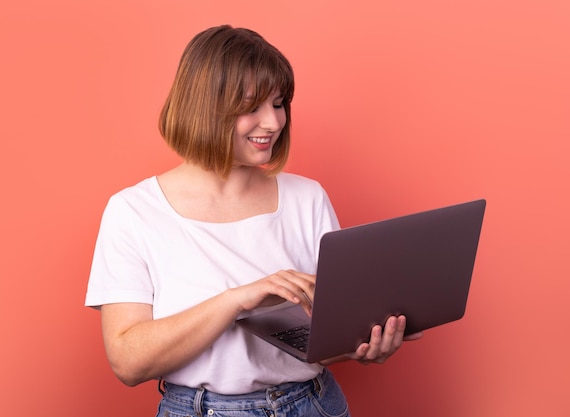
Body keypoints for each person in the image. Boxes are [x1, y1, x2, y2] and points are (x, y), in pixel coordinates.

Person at [85, 24, 421, 417]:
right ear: (203, 106)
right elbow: (128, 362)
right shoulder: (135, 212)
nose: (274, 123)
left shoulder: (307, 198)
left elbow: (327, 335)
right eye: (251, 107)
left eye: (279, 103)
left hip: (312, 404)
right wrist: (236, 300)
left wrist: (364, 344)